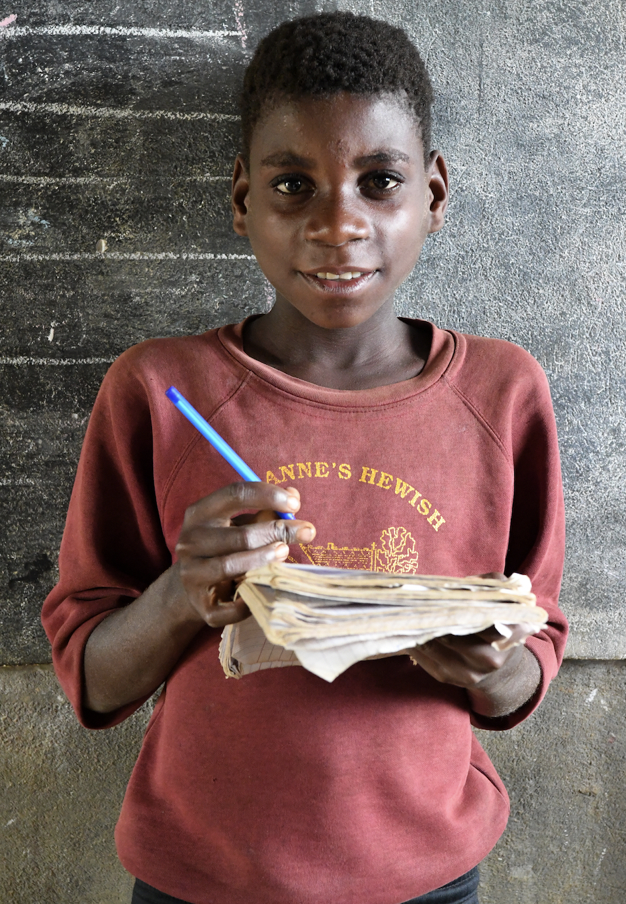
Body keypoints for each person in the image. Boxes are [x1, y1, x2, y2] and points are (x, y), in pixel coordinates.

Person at [42, 11, 568, 904]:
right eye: (294, 184)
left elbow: (526, 668)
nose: (338, 225)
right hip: (199, 880)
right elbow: (91, 679)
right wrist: (181, 593)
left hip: (426, 880)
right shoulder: (159, 389)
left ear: (433, 196)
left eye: (379, 182)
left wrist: (494, 661)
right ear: (243, 198)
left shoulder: (501, 394)